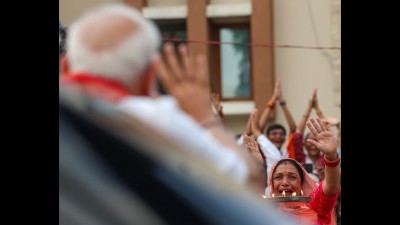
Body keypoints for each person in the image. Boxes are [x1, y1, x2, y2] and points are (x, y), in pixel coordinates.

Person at [59, 3, 263, 189]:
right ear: (149, 76)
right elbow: (248, 179)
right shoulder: (155, 118)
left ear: (66, 66)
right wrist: (204, 117)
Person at [268, 117, 341, 225]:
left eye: (292, 177)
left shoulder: (314, 206)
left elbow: (331, 186)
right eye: (278, 177)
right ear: (271, 183)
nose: (285, 183)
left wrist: (331, 157)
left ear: (302, 183)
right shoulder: (261, 212)